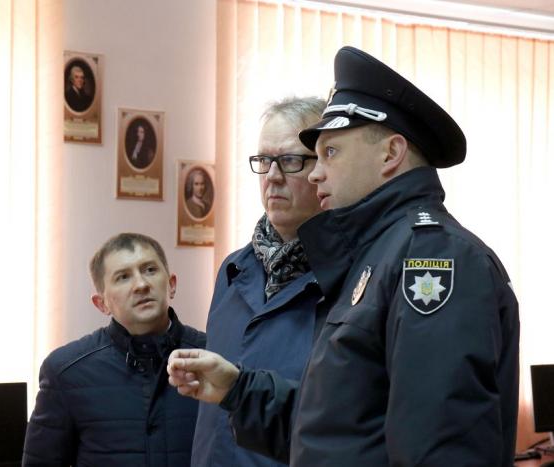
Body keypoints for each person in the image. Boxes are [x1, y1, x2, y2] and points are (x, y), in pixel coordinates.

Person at [169, 46, 520, 467]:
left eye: (330, 153)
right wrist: (238, 389)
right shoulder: (374, 255)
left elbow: (440, 449)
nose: (317, 172)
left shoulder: (432, 258)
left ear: (390, 154)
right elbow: (338, 426)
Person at [190, 97, 326, 467]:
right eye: (264, 160)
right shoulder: (233, 269)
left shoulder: (351, 275)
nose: (273, 176)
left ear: (325, 167)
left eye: (291, 160)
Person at [23, 233, 206, 466]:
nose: (141, 285)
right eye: (123, 277)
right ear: (102, 304)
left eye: (150, 270)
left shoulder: (213, 357)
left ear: (171, 285)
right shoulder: (65, 371)